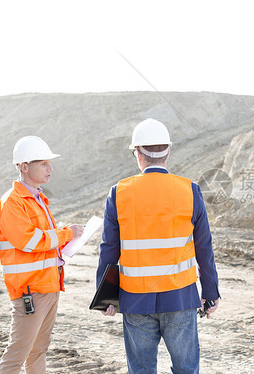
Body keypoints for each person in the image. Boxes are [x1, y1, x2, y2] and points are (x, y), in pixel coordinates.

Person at [96, 118, 220, 374]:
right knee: (186, 369)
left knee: (140, 370)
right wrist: (210, 291)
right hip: (180, 298)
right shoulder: (190, 190)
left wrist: (105, 297)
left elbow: (109, 250)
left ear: (137, 154)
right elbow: (204, 248)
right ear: (168, 152)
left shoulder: (119, 193)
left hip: (135, 300)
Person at [0, 135, 84, 374]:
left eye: (49, 163)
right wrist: (67, 233)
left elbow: (45, 241)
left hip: (48, 286)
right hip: (30, 291)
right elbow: (29, 241)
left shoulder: (37, 199)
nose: (50, 168)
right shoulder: (13, 202)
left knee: (38, 351)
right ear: (24, 167)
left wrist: (65, 244)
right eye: (43, 163)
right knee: (16, 356)